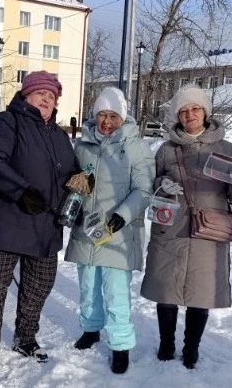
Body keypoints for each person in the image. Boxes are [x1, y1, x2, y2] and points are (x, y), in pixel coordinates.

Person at [0, 70, 80, 367]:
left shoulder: (58, 134)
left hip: (45, 223)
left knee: (40, 284)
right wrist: (21, 191)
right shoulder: (7, 122)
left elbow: (68, 171)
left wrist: (81, 181)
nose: (47, 99)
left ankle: (25, 337)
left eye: (52, 96)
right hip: (6, 220)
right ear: (26, 95)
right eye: (41, 94)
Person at [140, 86, 232, 370]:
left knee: (200, 293)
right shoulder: (166, 149)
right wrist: (162, 186)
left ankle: (191, 347)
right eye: (184, 110)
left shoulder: (226, 149)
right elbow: (153, 184)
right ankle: (166, 342)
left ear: (205, 112)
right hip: (171, 228)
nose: (190, 114)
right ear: (177, 115)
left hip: (208, 232)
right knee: (166, 289)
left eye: (195, 109)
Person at [64, 87, 154, 374]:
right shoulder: (83, 145)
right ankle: (91, 329)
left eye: (112, 115)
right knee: (88, 288)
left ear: (122, 117)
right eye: (101, 114)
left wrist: (120, 217)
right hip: (86, 229)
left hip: (117, 232)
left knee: (116, 293)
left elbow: (143, 190)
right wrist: (75, 183)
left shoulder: (136, 147)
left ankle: (120, 345)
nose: (106, 121)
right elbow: (73, 178)